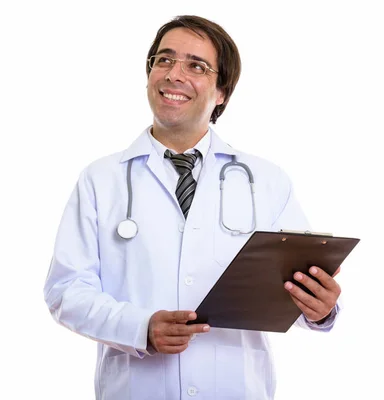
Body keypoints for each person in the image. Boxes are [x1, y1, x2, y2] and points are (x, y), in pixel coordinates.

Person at [43, 15, 341, 399]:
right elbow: (66, 290)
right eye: (164, 60)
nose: (174, 74)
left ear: (221, 92)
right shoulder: (100, 179)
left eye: (196, 66)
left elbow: (295, 283)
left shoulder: (266, 181)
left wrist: (320, 309)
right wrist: (140, 327)